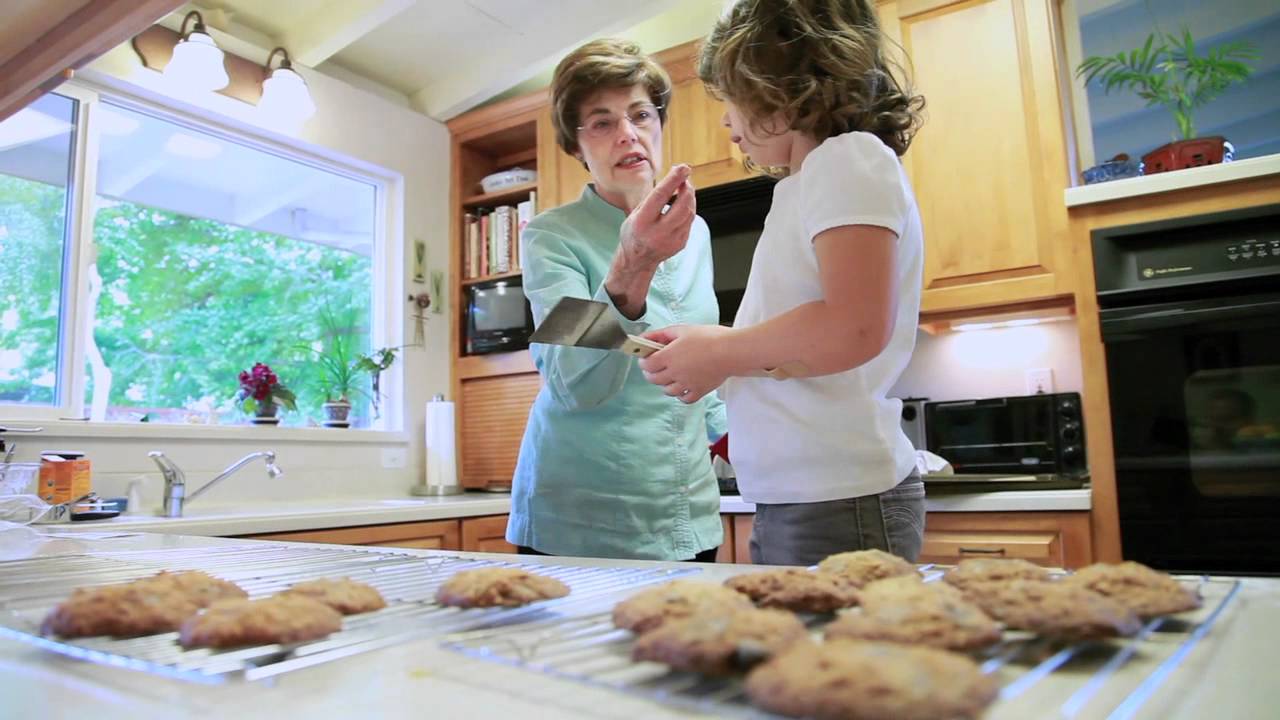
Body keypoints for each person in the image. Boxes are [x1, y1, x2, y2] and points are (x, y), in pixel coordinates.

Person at [638, 0, 928, 566]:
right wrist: (716, 357)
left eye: (731, 98)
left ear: (782, 89)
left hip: (840, 499)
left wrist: (721, 350)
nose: (726, 121)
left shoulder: (847, 160)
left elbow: (854, 326)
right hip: (801, 498)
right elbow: (806, 342)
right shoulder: (809, 181)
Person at [505, 38, 727, 561]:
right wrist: (635, 262)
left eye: (641, 115)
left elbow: (698, 364)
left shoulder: (695, 233)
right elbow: (572, 382)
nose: (629, 133)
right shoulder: (551, 237)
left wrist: (739, 435)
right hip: (581, 515)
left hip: (688, 511)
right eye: (602, 122)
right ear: (576, 146)